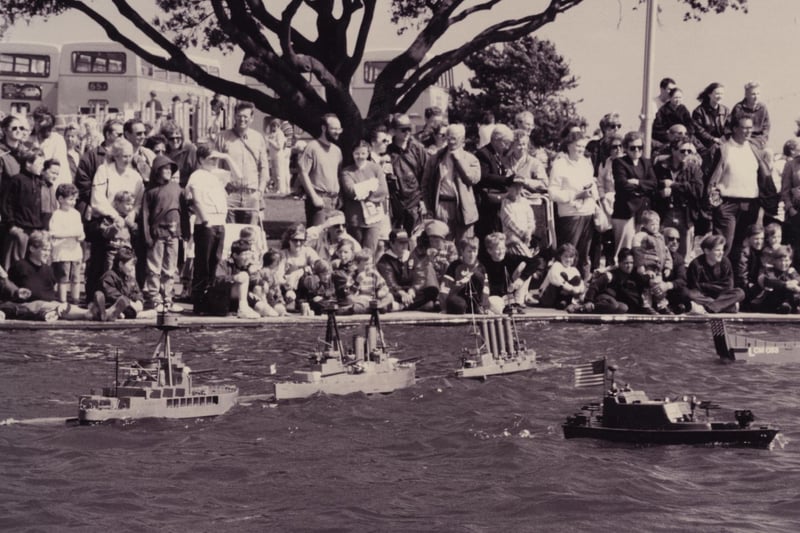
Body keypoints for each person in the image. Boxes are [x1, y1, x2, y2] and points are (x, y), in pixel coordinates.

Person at [707, 115, 778, 258]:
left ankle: (739, 279)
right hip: (727, 204)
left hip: (751, 204)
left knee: (743, 247)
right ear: (734, 129)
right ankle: (719, 278)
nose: (748, 131)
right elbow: (710, 178)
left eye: (750, 128)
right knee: (724, 245)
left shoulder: (755, 150)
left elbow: (764, 177)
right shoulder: (723, 149)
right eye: (744, 128)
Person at [185, 145, 236, 312]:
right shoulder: (197, 175)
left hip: (220, 221)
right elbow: (197, 199)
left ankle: (210, 300)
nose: (214, 162)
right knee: (203, 264)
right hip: (206, 223)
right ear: (200, 160)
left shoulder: (217, 175)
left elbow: (239, 176)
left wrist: (226, 157)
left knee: (215, 261)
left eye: (216, 159)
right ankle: (199, 302)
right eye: (211, 159)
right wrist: (205, 219)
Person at [548, 131, 598, 278]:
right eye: (578, 146)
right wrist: (575, 195)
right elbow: (552, 192)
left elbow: (592, 185)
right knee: (568, 254)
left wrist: (594, 202)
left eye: (583, 146)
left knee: (584, 255)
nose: (581, 149)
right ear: (569, 145)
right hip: (570, 215)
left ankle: (582, 288)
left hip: (588, 213)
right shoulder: (559, 164)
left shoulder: (585, 163)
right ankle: (561, 289)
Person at [420, 123, 481, 243]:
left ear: (462, 139)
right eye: (448, 137)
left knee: (465, 245)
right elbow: (425, 185)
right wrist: (429, 207)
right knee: (442, 246)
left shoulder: (471, 159)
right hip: (441, 206)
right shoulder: (436, 158)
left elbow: (471, 179)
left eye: (454, 138)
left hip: (464, 208)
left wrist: (458, 160)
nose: (450, 141)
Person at [215, 101, 270, 224]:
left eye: (245, 116)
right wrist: (221, 191)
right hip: (230, 194)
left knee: (250, 235)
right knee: (229, 234)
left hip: (252, 194)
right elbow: (216, 167)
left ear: (251, 118)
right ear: (234, 116)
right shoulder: (222, 137)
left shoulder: (258, 138)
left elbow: (264, 167)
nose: (242, 119)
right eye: (239, 116)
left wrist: (260, 191)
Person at [141, 155, 181, 310]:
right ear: (157, 170)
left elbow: (182, 209)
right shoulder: (150, 191)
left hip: (174, 233)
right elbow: (145, 215)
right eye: (164, 168)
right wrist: (147, 235)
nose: (168, 171)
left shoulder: (177, 188)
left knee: (170, 268)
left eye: (170, 168)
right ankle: (153, 297)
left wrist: (183, 231)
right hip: (157, 234)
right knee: (154, 267)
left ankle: (167, 297)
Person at [652, 139, 704, 257]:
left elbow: (698, 191)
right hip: (665, 213)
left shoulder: (694, 168)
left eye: (689, 151)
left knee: (685, 252)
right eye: (683, 150)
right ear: (673, 150)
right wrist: (660, 193)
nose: (686, 154)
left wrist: (674, 185)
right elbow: (652, 187)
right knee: (661, 248)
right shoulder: (660, 166)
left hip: (685, 214)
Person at [611, 131, 657, 258]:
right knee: (623, 249)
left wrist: (637, 182)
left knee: (640, 246)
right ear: (626, 148)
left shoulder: (646, 162)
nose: (637, 150)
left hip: (642, 211)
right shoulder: (619, 163)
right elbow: (622, 186)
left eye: (639, 147)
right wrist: (644, 187)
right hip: (625, 211)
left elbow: (654, 184)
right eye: (633, 148)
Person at [2, 148, 48, 271]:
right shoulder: (17, 180)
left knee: (32, 267)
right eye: (39, 164)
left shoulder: (39, 182)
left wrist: (42, 228)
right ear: (28, 164)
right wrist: (12, 226)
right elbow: (7, 204)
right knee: (15, 266)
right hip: (20, 230)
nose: (42, 167)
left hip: (35, 231)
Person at [340, 140, 389, 255]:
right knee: (356, 251)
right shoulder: (347, 172)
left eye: (363, 153)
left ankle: (368, 272)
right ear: (352, 154)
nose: (360, 157)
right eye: (357, 153)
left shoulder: (376, 168)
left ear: (368, 153)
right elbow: (351, 191)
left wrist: (361, 191)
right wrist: (371, 185)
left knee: (369, 252)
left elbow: (383, 191)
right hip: (355, 218)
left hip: (374, 217)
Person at [195, 238, 260, 318]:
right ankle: (243, 309)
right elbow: (216, 280)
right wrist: (233, 278)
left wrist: (254, 273)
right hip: (221, 298)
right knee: (244, 276)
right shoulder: (224, 263)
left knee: (269, 312)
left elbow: (256, 283)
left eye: (249, 254)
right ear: (235, 255)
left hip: (238, 299)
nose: (248, 257)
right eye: (245, 254)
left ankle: (249, 309)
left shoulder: (247, 266)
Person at [376, 229, 439, 311]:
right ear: (391, 243)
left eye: (405, 242)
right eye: (400, 243)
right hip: (395, 293)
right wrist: (402, 293)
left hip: (411, 292)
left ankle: (401, 306)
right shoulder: (384, 261)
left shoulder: (412, 255)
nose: (404, 245)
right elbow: (390, 282)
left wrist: (413, 290)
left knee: (432, 291)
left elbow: (420, 276)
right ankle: (410, 306)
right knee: (387, 296)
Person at [298, 114, 343, 227]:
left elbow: (338, 175)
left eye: (339, 129)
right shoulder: (312, 147)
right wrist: (314, 197)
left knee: (332, 239)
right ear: (324, 128)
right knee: (317, 237)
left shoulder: (337, 151)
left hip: (335, 201)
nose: (337, 132)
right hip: (319, 200)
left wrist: (340, 197)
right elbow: (303, 173)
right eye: (334, 129)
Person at [385, 113, 427, 234]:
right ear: (393, 131)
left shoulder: (418, 149)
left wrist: (424, 200)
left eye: (409, 129)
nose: (407, 133)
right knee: (396, 239)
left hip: (415, 201)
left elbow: (426, 176)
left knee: (414, 238)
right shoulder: (386, 150)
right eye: (403, 130)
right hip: (395, 203)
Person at [686, 234, 744, 314]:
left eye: (722, 250)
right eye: (717, 250)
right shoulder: (696, 264)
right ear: (707, 251)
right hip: (704, 296)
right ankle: (727, 307)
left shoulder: (725, 262)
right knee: (690, 294)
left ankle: (709, 308)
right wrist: (715, 287)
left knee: (740, 293)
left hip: (721, 296)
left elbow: (729, 286)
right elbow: (694, 287)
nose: (721, 253)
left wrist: (704, 285)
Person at [481, 232, 537, 314]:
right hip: (492, 295)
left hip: (507, 294)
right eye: (498, 249)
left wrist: (520, 280)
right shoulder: (484, 262)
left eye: (503, 248)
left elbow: (535, 262)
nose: (501, 252)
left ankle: (517, 303)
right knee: (494, 303)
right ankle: (505, 308)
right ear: (489, 251)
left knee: (523, 265)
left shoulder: (508, 257)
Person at [474, 124, 514, 239]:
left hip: (496, 203)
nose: (507, 147)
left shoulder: (497, 154)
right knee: (487, 236)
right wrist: (506, 180)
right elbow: (484, 176)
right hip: (485, 204)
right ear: (496, 139)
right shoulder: (483, 154)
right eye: (505, 143)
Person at [49, 183, 84, 304]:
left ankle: (75, 301)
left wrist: (80, 236)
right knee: (63, 279)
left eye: (75, 199)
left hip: (75, 251)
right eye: (70, 199)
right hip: (62, 253)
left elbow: (80, 232)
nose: (73, 202)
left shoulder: (76, 214)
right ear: (60, 199)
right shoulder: (57, 215)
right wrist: (72, 233)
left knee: (76, 279)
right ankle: (62, 302)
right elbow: (53, 233)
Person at [631, 210, 672, 314]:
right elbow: (637, 250)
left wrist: (668, 266)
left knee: (659, 286)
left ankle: (661, 305)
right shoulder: (641, 235)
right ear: (645, 225)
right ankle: (646, 305)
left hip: (658, 268)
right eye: (652, 224)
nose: (656, 227)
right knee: (648, 287)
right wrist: (640, 265)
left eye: (657, 224)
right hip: (648, 267)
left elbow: (666, 252)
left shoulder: (660, 237)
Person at [584, 248, 648, 314]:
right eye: (626, 263)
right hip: (603, 298)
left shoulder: (632, 276)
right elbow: (594, 285)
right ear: (619, 263)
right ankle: (582, 308)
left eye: (631, 263)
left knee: (624, 308)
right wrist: (589, 301)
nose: (629, 266)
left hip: (613, 301)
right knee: (613, 305)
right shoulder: (611, 275)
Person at [96, 246, 149, 321]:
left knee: (153, 313)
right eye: (131, 265)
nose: (133, 268)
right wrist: (130, 303)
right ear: (120, 264)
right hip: (111, 305)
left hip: (129, 307)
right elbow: (112, 295)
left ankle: (124, 314)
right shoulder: (109, 277)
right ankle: (112, 313)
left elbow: (136, 292)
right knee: (125, 311)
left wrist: (139, 301)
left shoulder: (130, 278)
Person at [440, 236, 489, 314]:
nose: (472, 254)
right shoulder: (455, 265)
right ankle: (462, 309)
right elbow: (445, 287)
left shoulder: (481, 267)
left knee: (478, 276)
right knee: (459, 306)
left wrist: (485, 307)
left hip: (472, 299)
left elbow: (485, 290)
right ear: (462, 252)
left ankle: (478, 308)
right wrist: (443, 308)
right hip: (457, 296)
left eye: (474, 251)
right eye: (469, 251)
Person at [692, 82, 729, 176]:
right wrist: (713, 139)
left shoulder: (726, 110)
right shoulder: (699, 111)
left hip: (722, 142)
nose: (719, 96)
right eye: (717, 93)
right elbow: (699, 131)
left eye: (722, 94)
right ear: (709, 94)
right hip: (704, 144)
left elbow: (729, 127)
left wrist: (724, 138)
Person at [538, 243, 586, 312]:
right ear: (560, 256)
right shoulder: (556, 265)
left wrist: (576, 290)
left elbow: (581, 285)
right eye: (565, 256)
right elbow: (555, 280)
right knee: (563, 276)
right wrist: (570, 289)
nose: (568, 259)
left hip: (563, 295)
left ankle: (562, 302)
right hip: (547, 296)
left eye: (571, 257)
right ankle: (561, 301)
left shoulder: (574, 269)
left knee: (577, 279)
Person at [31, 108, 71, 187]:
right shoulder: (29, 140)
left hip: (54, 182)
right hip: (33, 182)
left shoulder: (57, 140)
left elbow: (57, 164)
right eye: (37, 121)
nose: (39, 125)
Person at [757, 245, 800, 314]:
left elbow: (798, 278)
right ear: (774, 261)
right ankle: (786, 306)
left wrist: (795, 282)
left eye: (786, 261)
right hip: (771, 299)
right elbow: (771, 281)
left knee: (794, 294)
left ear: (790, 261)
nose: (783, 264)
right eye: (780, 261)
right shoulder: (769, 270)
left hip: (788, 299)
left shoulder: (790, 271)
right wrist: (786, 284)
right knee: (782, 289)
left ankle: (789, 306)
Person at [279, 223, 320, 295]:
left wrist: (301, 271)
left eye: (301, 240)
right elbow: (279, 275)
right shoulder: (283, 254)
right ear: (289, 240)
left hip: (306, 288)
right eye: (295, 240)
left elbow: (319, 265)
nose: (298, 243)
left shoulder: (308, 251)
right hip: (288, 288)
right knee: (293, 268)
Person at [501, 175, 535, 257]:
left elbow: (531, 220)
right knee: (528, 258)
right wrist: (524, 235)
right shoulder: (506, 204)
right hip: (512, 239)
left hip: (526, 238)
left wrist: (529, 233)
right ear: (507, 188)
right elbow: (511, 223)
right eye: (515, 186)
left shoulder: (525, 202)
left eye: (520, 186)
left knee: (535, 255)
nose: (518, 189)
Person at [729, 81, 770, 150]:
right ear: (746, 94)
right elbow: (733, 128)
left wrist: (762, 141)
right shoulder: (739, 108)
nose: (756, 97)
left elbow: (766, 128)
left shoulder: (763, 108)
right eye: (753, 94)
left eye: (758, 94)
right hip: (743, 140)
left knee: (769, 154)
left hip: (758, 140)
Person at [734, 223, 765, 310]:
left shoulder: (757, 250)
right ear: (748, 239)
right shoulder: (743, 253)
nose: (759, 242)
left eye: (762, 238)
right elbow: (741, 276)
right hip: (745, 287)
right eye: (756, 239)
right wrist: (750, 286)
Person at [123, 118, 155, 186]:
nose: (143, 136)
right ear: (127, 134)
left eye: (145, 133)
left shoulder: (149, 154)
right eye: (139, 134)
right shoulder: (118, 154)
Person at [266, 119, 290, 195]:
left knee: (279, 173)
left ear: (278, 126)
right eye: (272, 126)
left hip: (279, 156)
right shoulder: (273, 134)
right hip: (273, 156)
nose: (273, 128)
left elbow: (279, 146)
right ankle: (277, 188)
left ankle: (281, 189)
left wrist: (270, 141)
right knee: (274, 173)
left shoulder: (280, 134)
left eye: (275, 126)